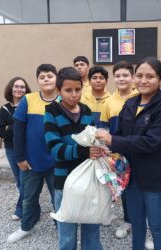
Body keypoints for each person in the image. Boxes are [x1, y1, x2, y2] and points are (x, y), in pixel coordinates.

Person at [96, 57, 161, 250]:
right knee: (137, 223)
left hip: (157, 178)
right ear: (134, 78)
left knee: (157, 226)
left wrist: (113, 140)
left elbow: (151, 142)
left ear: (160, 79)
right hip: (132, 177)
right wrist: (104, 144)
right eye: (140, 76)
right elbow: (121, 135)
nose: (143, 80)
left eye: (150, 76)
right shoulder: (131, 104)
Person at [44, 67, 103, 250]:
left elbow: (94, 140)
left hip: (89, 180)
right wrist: (85, 152)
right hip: (64, 181)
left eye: (78, 89)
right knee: (67, 235)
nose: (74, 94)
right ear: (58, 91)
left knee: (92, 231)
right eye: (68, 90)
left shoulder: (86, 111)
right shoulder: (52, 112)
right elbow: (55, 149)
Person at [7, 64, 59, 243]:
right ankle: (26, 227)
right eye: (42, 76)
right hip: (30, 162)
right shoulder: (28, 100)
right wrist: (20, 157)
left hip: (56, 163)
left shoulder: (63, 100)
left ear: (56, 78)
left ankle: (62, 228)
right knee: (28, 198)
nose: (46, 79)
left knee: (58, 199)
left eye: (49, 76)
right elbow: (18, 130)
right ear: (37, 80)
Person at [100, 61, 138, 239]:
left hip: (140, 151)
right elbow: (104, 128)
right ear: (113, 79)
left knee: (144, 188)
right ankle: (129, 220)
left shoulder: (142, 97)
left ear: (132, 77)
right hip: (119, 154)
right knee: (125, 187)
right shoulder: (109, 102)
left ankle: (147, 224)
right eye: (118, 76)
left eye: (125, 75)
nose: (121, 79)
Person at [0, 77, 31, 220]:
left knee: (25, 179)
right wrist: (16, 125)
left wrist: (13, 127)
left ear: (26, 90)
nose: (19, 89)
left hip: (28, 147)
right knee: (19, 179)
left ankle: (21, 208)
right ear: (11, 88)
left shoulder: (30, 106)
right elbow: (0, 132)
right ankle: (30, 205)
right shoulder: (5, 109)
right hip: (11, 148)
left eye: (22, 87)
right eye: (16, 86)